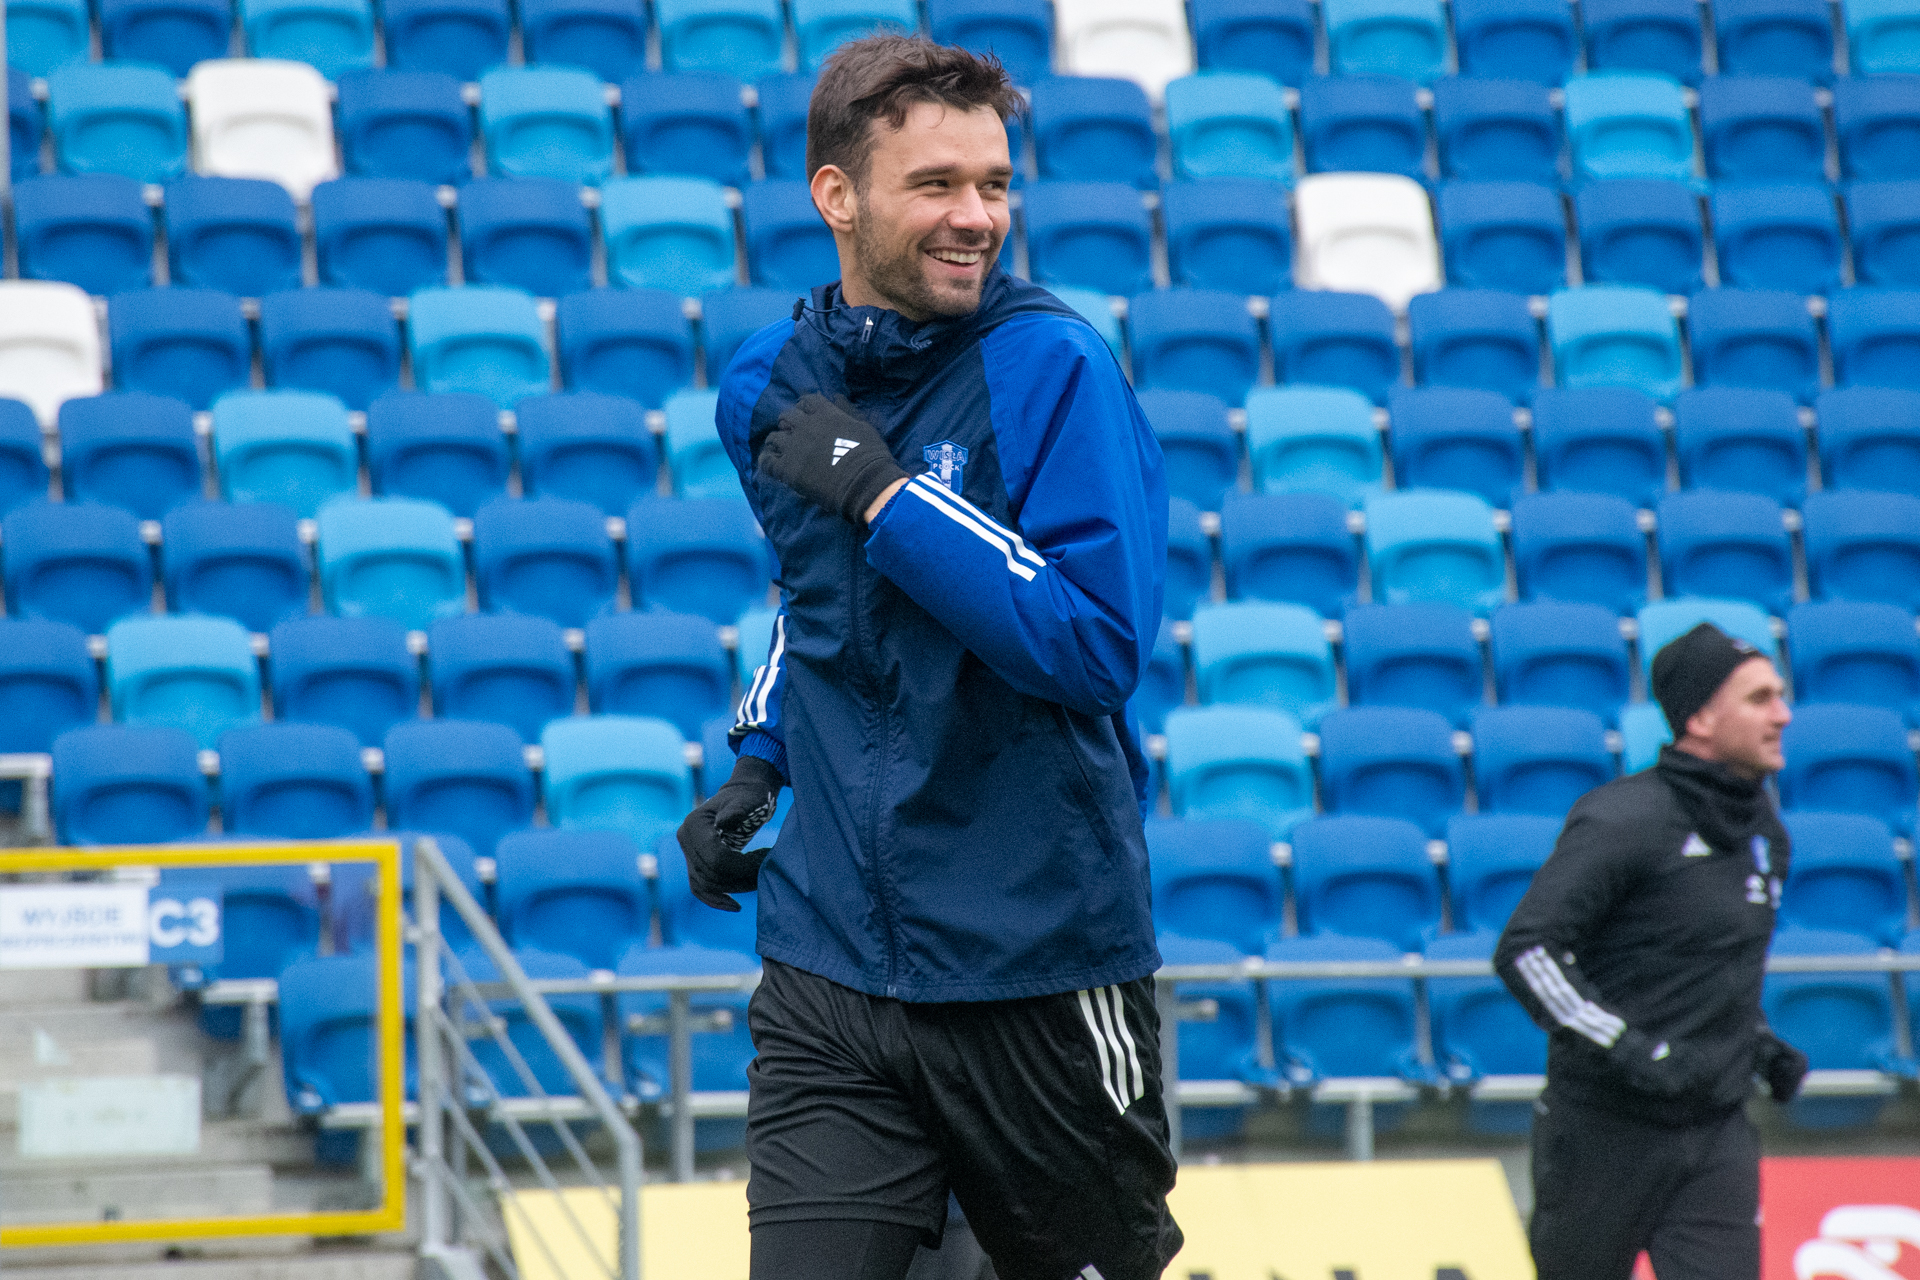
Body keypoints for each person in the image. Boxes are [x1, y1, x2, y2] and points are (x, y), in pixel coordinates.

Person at [673, 34, 1182, 1280]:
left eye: (994, 185)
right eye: (937, 184)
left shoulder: (1056, 364)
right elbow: (817, 593)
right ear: (836, 195)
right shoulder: (766, 383)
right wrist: (761, 756)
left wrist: (890, 496)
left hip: (1036, 964)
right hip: (832, 961)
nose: (976, 217)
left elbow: (1095, 642)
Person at [1495, 623, 1810, 1280]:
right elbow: (1527, 951)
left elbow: (1708, 967)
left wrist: (1757, 1041)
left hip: (1715, 1132)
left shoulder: (1763, 834)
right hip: (1602, 1134)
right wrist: (1630, 1048)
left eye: (1780, 696)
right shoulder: (1624, 820)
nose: (1782, 715)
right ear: (1699, 718)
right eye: (1759, 699)